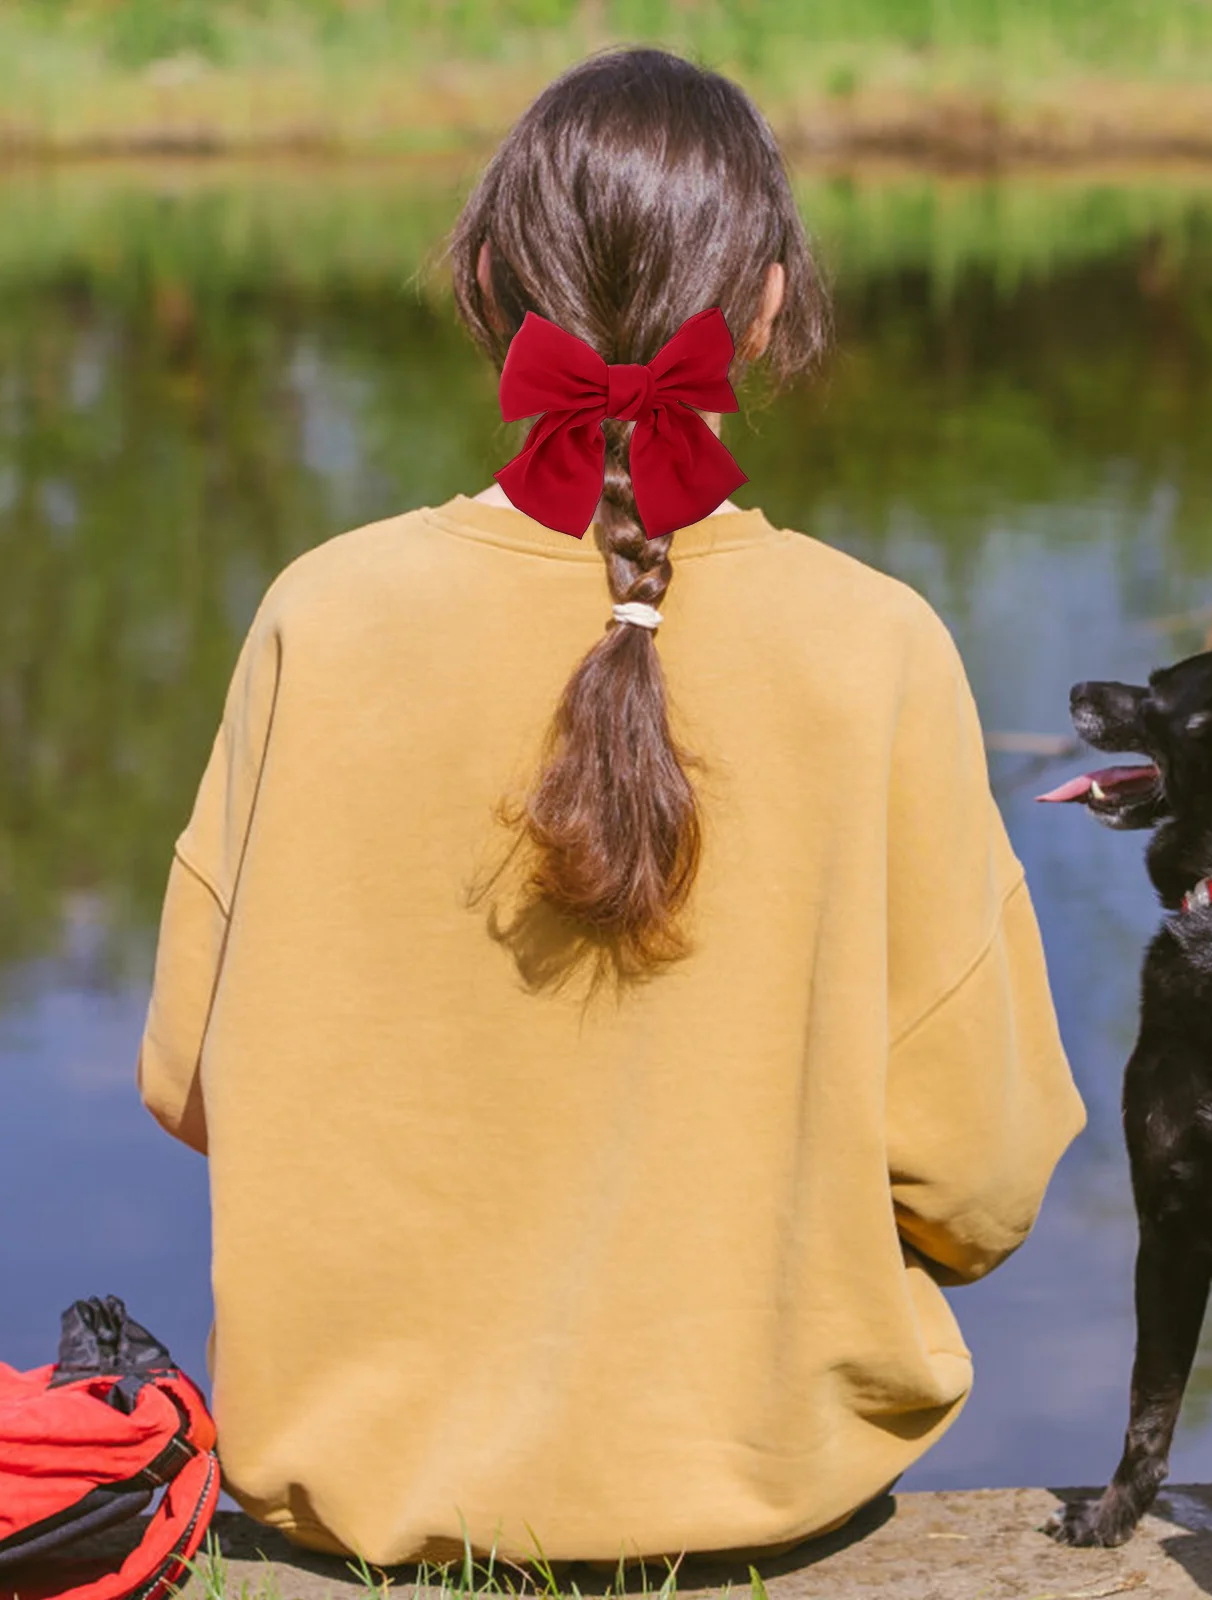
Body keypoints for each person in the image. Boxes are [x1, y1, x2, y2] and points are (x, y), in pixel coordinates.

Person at [136, 46, 1085, 1571]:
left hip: (369, 1518)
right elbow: (981, 1179)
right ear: (770, 300)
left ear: (494, 283)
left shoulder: (325, 614)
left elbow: (193, 1083)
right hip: (769, 1513)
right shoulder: (877, 646)